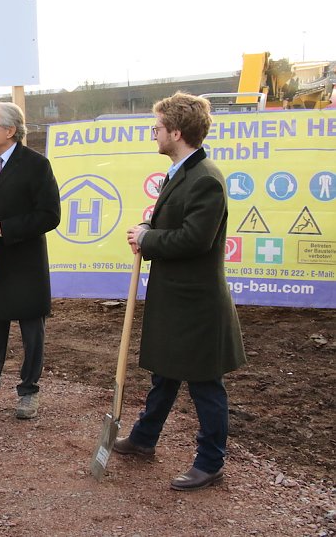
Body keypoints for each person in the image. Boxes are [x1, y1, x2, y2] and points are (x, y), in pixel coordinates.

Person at [113, 92, 246, 491]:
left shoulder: (205, 179)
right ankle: (144, 438)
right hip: (176, 298)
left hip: (197, 304)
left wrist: (148, 239)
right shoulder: (181, 173)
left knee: (205, 384)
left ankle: (210, 462)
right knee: (166, 374)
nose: (153, 133)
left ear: (175, 132)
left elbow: (195, 240)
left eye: (157, 128)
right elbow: (175, 223)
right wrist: (149, 228)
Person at [0, 102, 61, 419]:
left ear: (10, 130)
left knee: (32, 330)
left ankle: (29, 391)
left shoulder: (36, 165)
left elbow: (49, 215)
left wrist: (4, 228)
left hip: (26, 262)